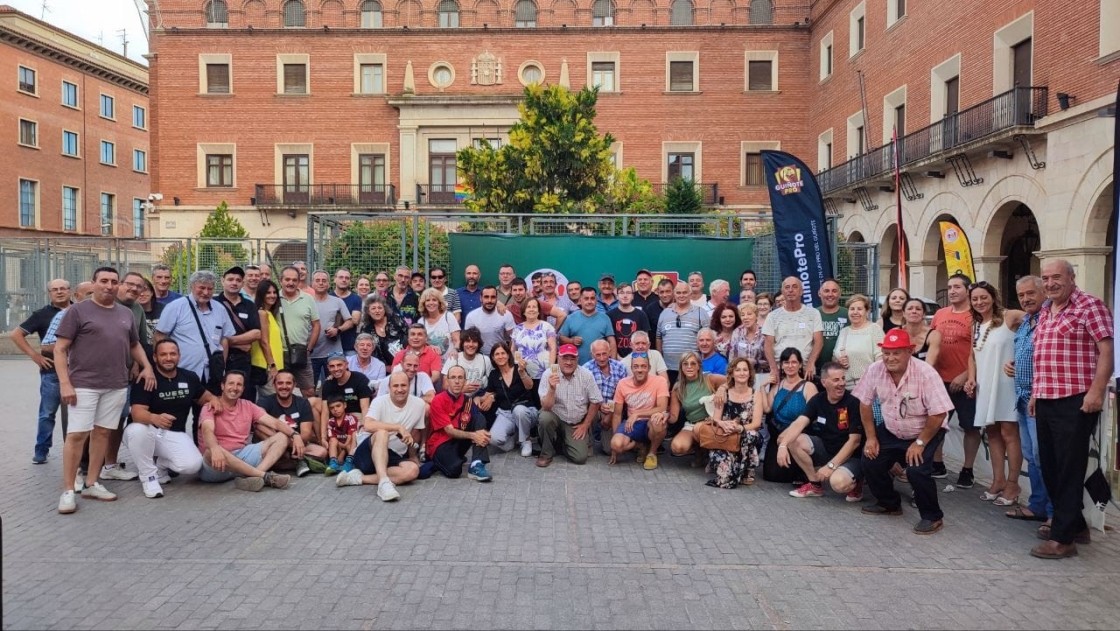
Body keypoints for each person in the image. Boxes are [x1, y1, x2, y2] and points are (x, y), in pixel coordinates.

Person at [1029, 260, 1112, 560]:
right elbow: (1042, 354)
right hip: (1047, 398)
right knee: (1049, 465)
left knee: (1068, 468)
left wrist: (1097, 391)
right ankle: (1075, 524)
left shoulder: (1090, 305)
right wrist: (1036, 393)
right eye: (1046, 278)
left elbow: (1106, 350)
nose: (1050, 283)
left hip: (1077, 399)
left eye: (1056, 277)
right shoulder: (1044, 310)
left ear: (1071, 278)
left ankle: (1063, 540)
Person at [54, 267, 156, 514]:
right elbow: (60, 349)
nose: (108, 286)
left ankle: (92, 483)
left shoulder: (126, 314)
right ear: (94, 283)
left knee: (102, 434)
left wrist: (147, 367)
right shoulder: (77, 311)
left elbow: (134, 344)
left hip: (116, 385)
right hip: (83, 385)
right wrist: (65, 383)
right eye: (104, 281)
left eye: (113, 281)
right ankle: (68, 490)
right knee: (76, 436)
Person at [854, 329, 954, 535]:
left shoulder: (926, 373)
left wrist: (919, 443)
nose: (890, 358)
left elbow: (939, 413)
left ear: (910, 351)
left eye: (896, 353)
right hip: (892, 428)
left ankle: (932, 516)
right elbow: (864, 404)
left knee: (917, 470)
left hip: (925, 430)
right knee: (870, 460)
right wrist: (871, 438)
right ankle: (889, 504)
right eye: (886, 353)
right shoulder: (875, 369)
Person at [124, 339, 217, 498]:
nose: (168, 358)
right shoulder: (146, 378)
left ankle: (160, 465)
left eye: (172, 354)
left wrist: (216, 401)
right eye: (163, 354)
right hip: (145, 431)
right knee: (137, 430)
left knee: (193, 466)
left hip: (172, 433)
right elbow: (137, 413)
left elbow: (207, 398)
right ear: (155, 357)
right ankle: (149, 477)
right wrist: (154, 418)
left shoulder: (189, 377)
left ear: (179, 356)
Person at [964, 282, 1023, 506]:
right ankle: (998, 480)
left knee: (1010, 433)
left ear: (993, 297)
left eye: (983, 297)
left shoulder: (1010, 316)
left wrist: (1023, 360)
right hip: (985, 384)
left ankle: (1013, 483)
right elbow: (971, 356)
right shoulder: (975, 325)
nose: (979, 302)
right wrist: (971, 378)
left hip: (1006, 383)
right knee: (992, 433)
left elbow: (1040, 323)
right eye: (975, 299)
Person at [1002, 276, 1051, 523]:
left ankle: (1054, 513)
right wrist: (1014, 364)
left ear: (1044, 292)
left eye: (1031, 293)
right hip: (1022, 398)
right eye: (1021, 295)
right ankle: (1037, 505)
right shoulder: (1026, 322)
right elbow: (1025, 352)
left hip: (1040, 399)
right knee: (1032, 456)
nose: (1026, 299)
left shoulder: (1049, 319)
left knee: (1044, 456)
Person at [778, 362, 864, 500]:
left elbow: (855, 441)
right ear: (824, 382)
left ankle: (857, 482)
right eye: (836, 380)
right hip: (827, 449)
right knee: (793, 440)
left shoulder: (853, 403)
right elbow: (800, 422)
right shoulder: (818, 400)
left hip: (852, 456)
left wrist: (831, 466)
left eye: (843, 378)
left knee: (838, 484)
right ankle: (815, 485)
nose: (841, 383)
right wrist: (783, 445)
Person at [197, 371, 295, 492]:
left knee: (282, 437)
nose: (234, 388)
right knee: (210, 450)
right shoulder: (210, 407)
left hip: (242, 455)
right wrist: (215, 448)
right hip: (218, 464)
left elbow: (275, 423)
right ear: (222, 386)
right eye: (231, 383)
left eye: (239, 385)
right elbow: (207, 430)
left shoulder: (248, 405)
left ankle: (253, 476)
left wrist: (295, 435)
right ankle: (264, 476)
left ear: (243, 389)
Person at [334, 371, 424, 500]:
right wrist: (397, 427)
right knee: (382, 433)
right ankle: (383, 483)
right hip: (367, 453)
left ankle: (357, 478)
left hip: (393, 455)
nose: (399, 389)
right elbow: (368, 425)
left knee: (413, 471)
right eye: (395, 386)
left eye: (403, 385)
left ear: (409, 385)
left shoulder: (419, 405)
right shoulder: (379, 402)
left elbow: (415, 432)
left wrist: (413, 456)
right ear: (389, 388)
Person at [12, 278, 71, 463]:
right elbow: (16, 334)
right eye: (55, 289)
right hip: (51, 372)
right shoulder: (41, 314)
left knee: (79, 416)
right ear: (49, 293)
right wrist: (35, 356)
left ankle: (77, 453)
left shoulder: (79, 311)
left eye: (63, 288)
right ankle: (41, 450)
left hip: (78, 372)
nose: (59, 292)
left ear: (70, 291)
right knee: (47, 413)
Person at [155, 270, 236, 402]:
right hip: (183, 370)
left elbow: (224, 339)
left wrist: (222, 365)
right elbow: (160, 336)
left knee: (208, 412)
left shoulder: (220, 309)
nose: (206, 292)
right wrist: (165, 364)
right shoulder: (176, 307)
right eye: (201, 288)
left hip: (212, 372)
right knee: (179, 410)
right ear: (192, 286)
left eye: (210, 288)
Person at [929, 273, 976, 485]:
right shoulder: (940, 314)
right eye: (949, 287)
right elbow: (930, 343)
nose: (952, 291)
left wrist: (966, 375)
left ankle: (967, 470)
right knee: (937, 423)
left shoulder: (975, 316)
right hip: (939, 380)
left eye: (957, 287)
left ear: (968, 290)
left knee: (971, 427)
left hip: (965, 381)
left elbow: (978, 350)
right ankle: (938, 464)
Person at [537, 344, 602, 466]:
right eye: (565, 358)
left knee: (580, 458)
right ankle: (546, 453)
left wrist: (585, 425)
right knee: (544, 417)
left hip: (575, 422)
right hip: (556, 417)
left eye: (572, 359)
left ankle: (561, 443)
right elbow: (546, 407)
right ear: (558, 358)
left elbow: (595, 401)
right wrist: (552, 389)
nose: (568, 362)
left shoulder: (586, 375)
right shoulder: (548, 374)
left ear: (577, 359)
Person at [427, 365, 493, 481]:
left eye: (460, 377)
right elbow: (449, 431)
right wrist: (474, 435)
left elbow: (478, 423)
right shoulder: (438, 400)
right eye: (453, 377)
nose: (457, 381)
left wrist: (480, 435)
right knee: (454, 471)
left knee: (480, 418)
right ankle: (437, 462)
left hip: (459, 440)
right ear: (447, 380)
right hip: (440, 443)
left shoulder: (468, 400)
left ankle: (476, 464)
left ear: (465, 381)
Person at [256, 369, 327, 477]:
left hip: (297, 444)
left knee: (322, 452)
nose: (284, 386)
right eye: (280, 383)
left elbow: (306, 434)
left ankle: (286, 461)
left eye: (288, 383)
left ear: (294, 385)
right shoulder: (264, 401)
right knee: (259, 427)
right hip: (271, 442)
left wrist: (294, 443)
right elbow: (257, 424)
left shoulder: (303, 403)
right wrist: (284, 441)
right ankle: (296, 460)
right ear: (274, 385)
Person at [763, 348, 819, 482]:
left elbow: (813, 415)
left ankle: (807, 473)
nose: (790, 366)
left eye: (794, 362)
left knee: (790, 473)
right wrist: (762, 387)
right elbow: (767, 408)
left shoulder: (808, 387)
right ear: (781, 365)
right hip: (778, 432)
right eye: (786, 362)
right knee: (771, 475)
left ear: (800, 365)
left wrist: (790, 433)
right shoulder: (777, 386)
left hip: (799, 432)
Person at [706, 357, 763, 488]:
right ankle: (730, 469)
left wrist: (739, 428)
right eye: (738, 370)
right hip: (725, 434)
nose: (742, 373)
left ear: (750, 373)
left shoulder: (756, 394)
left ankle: (746, 470)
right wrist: (722, 424)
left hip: (745, 433)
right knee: (725, 478)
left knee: (752, 435)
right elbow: (716, 418)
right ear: (732, 373)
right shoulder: (724, 392)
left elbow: (756, 423)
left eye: (745, 370)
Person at [609, 353, 670, 469]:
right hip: (633, 424)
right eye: (636, 366)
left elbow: (662, 408)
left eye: (643, 366)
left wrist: (637, 414)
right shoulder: (623, 384)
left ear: (649, 368)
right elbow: (617, 414)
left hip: (650, 422)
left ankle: (652, 453)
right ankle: (640, 445)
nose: (640, 370)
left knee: (658, 421)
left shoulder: (660, 381)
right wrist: (614, 441)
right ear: (631, 369)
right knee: (616, 445)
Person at [476, 342, 538, 455]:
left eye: (503, 353)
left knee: (519, 410)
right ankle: (514, 440)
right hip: (506, 413)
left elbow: (530, 386)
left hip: (526, 411)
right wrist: (478, 398)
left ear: (509, 355)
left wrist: (522, 372)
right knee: (493, 439)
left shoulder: (518, 368)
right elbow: (489, 393)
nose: (500, 356)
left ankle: (526, 440)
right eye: (497, 354)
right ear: (493, 358)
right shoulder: (494, 375)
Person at [762, 277, 824, 384]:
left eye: (795, 287)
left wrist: (810, 363)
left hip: (805, 371)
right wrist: (773, 368)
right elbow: (768, 345)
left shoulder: (813, 314)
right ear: (783, 292)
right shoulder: (772, 316)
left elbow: (819, 341)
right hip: (781, 371)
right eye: (787, 287)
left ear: (801, 291)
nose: (790, 290)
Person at [213, 266, 262, 402]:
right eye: (230, 279)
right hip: (219, 361)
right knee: (219, 398)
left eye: (238, 280)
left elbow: (257, 333)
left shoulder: (249, 305)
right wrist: (239, 343)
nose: (234, 283)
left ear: (242, 283)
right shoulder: (213, 304)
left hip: (243, 362)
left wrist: (228, 341)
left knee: (244, 399)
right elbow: (211, 335)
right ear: (223, 281)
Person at [667, 351, 725, 459]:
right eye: (685, 364)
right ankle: (698, 449)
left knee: (703, 430)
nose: (689, 367)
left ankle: (707, 451)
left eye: (693, 363)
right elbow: (674, 418)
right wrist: (664, 416)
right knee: (677, 448)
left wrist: (722, 388)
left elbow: (733, 381)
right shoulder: (677, 388)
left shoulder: (710, 379)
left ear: (699, 366)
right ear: (681, 367)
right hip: (692, 424)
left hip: (712, 423)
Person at [276, 265, 321, 398]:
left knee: (309, 391)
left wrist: (309, 348)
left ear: (298, 281)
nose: (291, 283)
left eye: (294, 280)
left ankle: (309, 417)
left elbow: (316, 325)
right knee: (279, 390)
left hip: (301, 352)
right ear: (280, 280)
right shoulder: (273, 298)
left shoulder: (308, 299)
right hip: (279, 353)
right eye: (287, 279)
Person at [657, 282, 710, 387]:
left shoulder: (701, 313)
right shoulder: (664, 313)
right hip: (669, 368)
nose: (681, 295)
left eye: (685, 292)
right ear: (674, 294)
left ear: (690, 294)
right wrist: (660, 361)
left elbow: (707, 340)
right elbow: (659, 337)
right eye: (678, 293)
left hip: (692, 368)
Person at [583, 339, 629, 453]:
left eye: (604, 353)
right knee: (586, 411)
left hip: (614, 408)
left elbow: (625, 394)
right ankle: (587, 443)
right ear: (592, 354)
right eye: (598, 355)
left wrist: (611, 412)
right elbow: (583, 396)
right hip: (593, 406)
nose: (602, 358)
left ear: (609, 351)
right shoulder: (586, 369)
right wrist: (599, 406)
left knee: (609, 450)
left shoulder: (620, 367)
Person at [309, 270, 354, 385]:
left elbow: (349, 321)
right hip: (311, 353)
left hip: (333, 354)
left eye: (324, 281)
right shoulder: (306, 302)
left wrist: (338, 330)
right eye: (317, 280)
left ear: (329, 284)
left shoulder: (337, 302)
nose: (321, 283)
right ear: (312, 283)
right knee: (310, 389)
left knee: (335, 388)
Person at [834, 294, 884, 389]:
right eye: (852, 309)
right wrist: (838, 361)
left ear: (867, 311)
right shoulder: (844, 331)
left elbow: (881, 360)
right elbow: (834, 357)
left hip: (868, 387)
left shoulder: (874, 329)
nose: (855, 312)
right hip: (844, 388)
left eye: (859, 309)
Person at [558, 286, 616, 365]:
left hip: (600, 366)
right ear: (580, 300)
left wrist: (613, 363)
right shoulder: (571, 318)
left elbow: (611, 342)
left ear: (596, 301)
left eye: (592, 298)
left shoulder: (605, 318)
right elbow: (561, 338)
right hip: (576, 366)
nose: (589, 301)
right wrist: (571, 341)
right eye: (586, 298)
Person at [511, 297, 557, 384]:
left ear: (539, 310)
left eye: (534, 307)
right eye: (528, 307)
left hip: (543, 374)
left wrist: (550, 369)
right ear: (524, 311)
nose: (531, 309)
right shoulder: (517, 329)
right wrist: (518, 361)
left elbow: (553, 348)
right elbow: (513, 349)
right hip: (523, 373)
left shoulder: (547, 327)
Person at [251, 279, 284, 397]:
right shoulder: (262, 313)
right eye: (268, 293)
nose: (272, 295)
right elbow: (264, 342)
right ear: (261, 294)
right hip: (266, 366)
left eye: (274, 292)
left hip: (271, 365)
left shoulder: (269, 313)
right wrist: (272, 365)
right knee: (272, 401)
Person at [358, 294, 407, 367]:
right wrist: (384, 367)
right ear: (368, 312)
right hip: (379, 366)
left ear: (385, 309)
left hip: (403, 362)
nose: (377, 311)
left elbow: (409, 335)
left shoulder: (396, 320)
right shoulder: (366, 328)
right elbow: (366, 350)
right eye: (373, 308)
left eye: (380, 308)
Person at [465, 286, 516, 354]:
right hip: (479, 356)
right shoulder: (471, 316)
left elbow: (514, 338)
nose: (489, 300)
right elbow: (467, 341)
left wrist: (510, 355)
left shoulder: (506, 314)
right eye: (486, 297)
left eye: (493, 297)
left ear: (497, 298)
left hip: (500, 356)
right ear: (481, 298)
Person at [442, 327, 492, 397]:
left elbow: (493, 384)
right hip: (456, 398)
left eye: (474, 341)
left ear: (479, 344)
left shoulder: (485, 360)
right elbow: (445, 386)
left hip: (479, 398)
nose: (471, 345)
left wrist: (486, 397)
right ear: (462, 343)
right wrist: (461, 390)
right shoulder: (453, 359)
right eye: (467, 341)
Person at [729, 302, 768, 389]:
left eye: (749, 314)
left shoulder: (765, 333)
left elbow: (770, 360)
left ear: (756, 316)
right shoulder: (737, 332)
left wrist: (756, 362)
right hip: (741, 377)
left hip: (761, 376)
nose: (746, 317)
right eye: (742, 315)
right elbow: (732, 358)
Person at [608, 283, 650, 358]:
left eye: (628, 293)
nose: (625, 296)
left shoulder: (641, 315)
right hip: (616, 359)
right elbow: (608, 340)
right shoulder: (609, 315)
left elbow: (645, 340)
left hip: (637, 359)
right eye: (621, 293)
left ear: (633, 296)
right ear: (617, 296)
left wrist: (637, 357)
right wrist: (617, 358)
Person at [816, 279, 849, 372]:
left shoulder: (848, 314)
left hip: (843, 370)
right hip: (816, 370)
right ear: (819, 293)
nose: (830, 294)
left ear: (839, 293)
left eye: (834, 291)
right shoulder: (812, 314)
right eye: (826, 291)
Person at [418, 287, 460, 357]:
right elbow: (420, 344)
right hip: (430, 362)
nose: (431, 303)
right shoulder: (421, 321)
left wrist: (455, 350)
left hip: (449, 361)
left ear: (439, 302)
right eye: (428, 300)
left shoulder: (448, 316)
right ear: (424, 303)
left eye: (434, 300)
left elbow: (457, 340)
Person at [323, 396, 359, 475]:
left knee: (354, 434)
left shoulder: (351, 418)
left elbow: (350, 436)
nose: (335, 409)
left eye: (338, 406)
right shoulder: (331, 421)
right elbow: (332, 437)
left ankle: (350, 461)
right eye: (332, 408)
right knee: (332, 440)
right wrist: (342, 449)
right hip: (339, 447)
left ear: (345, 405)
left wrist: (345, 447)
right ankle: (333, 462)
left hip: (350, 446)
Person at [332, 268, 363, 356]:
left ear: (350, 281)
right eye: (341, 277)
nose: (344, 280)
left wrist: (337, 327)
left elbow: (355, 321)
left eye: (347, 278)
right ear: (335, 279)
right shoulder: (329, 297)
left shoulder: (356, 299)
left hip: (349, 346)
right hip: (330, 345)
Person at [137, 277, 164, 357]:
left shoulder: (165, 309)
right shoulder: (130, 312)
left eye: (145, 290)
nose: (142, 294)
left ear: (152, 292)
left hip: (161, 355)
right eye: (139, 291)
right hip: (140, 356)